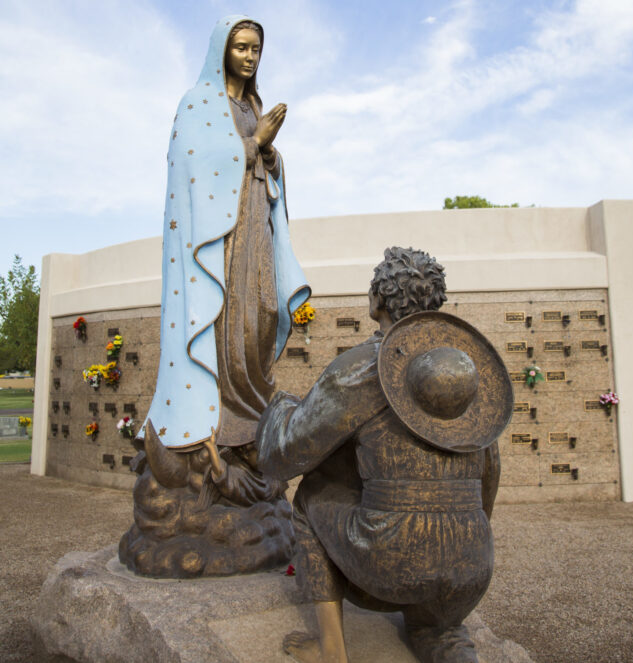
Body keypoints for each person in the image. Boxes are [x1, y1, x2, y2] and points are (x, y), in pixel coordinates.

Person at [257, 247, 513, 663]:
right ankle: (443, 635)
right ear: (436, 302)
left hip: (389, 559)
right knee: (438, 631)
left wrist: (280, 407)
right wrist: (461, 539)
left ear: (376, 299)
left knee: (311, 496)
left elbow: (284, 454)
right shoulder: (465, 368)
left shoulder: (364, 366)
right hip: (472, 565)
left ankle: (331, 649)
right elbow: (490, 473)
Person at [139, 15, 309, 452]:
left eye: (256, 49)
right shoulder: (198, 102)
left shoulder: (252, 106)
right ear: (222, 51)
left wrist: (269, 153)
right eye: (241, 48)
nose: (250, 57)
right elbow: (191, 164)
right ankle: (227, 421)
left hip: (256, 222)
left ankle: (254, 414)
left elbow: (266, 165)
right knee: (231, 318)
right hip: (219, 237)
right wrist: (254, 143)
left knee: (263, 312)